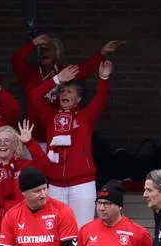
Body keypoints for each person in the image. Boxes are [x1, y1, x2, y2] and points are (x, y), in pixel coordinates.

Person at [26, 61, 114, 227]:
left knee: (82, 230)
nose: (64, 94)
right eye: (62, 91)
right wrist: (57, 79)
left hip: (82, 184)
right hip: (55, 184)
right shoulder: (50, 115)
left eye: (70, 91)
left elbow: (100, 98)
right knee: (56, 232)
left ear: (79, 98)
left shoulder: (86, 116)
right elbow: (34, 95)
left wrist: (103, 78)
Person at [11, 35, 123, 143]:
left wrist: (101, 53)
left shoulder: (64, 73)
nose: (44, 52)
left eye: (49, 49)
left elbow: (85, 69)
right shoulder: (30, 73)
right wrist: (33, 44)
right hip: (32, 134)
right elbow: (16, 60)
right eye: (42, 50)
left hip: (57, 132)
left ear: (57, 53)